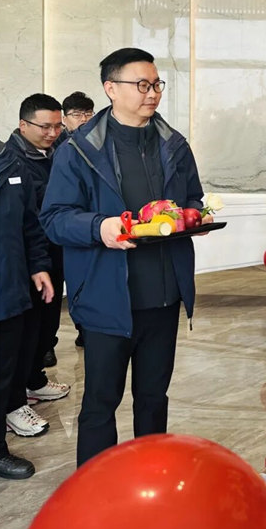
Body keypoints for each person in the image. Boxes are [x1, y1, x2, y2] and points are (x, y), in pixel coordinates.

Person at [40, 47, 212, 467]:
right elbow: (55, 218)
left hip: (163, 296)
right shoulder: (79, 150)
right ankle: (96, 487)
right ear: (111, 89)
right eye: (141, 85)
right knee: (100, 402)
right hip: (106, 298)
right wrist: (99, 227)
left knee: (153, 397)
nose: (152, 93)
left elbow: (192, 199)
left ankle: (150, 477)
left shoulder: (174, 144)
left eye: (156, 84)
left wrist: (195, 217)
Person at [0, 136, 54, 479]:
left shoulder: (11, 163)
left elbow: (31, 225)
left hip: (5, 289)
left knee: (1, 376)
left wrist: (38, 265)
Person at [5, 95, 70, 399]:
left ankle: (34, 379)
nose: (52, 133)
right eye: (45, 127)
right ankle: (17, 394)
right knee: (28, 327)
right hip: (28, 258)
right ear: (23, 125)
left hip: (54, 249)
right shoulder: (10, 161)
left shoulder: (58, 153)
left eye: (58, 126)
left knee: (47, 322)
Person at [58, 91, 95, 347]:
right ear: (65, 118)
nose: (83, 119)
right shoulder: (59, 147)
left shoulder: (98, 144)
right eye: (77, 114)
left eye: (88, 114)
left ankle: (86, 329)